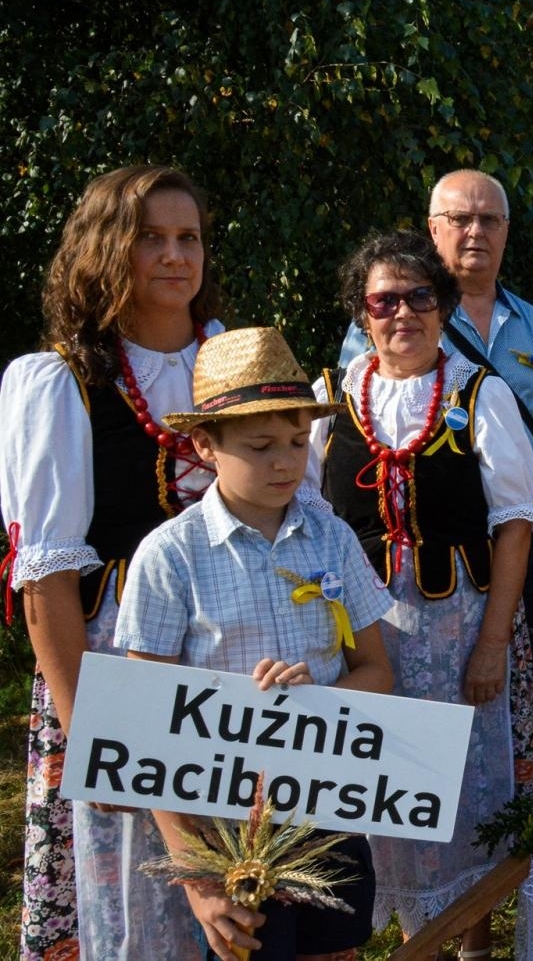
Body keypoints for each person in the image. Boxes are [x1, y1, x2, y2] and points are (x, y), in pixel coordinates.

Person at [114, 327, 393, 961]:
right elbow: (144, 726)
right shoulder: (170, 556)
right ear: (205, 445)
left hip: (328, 807)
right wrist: (199, 880)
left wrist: (319, 698)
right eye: (261, 446)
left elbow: (376, 671)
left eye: (296, 442)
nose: (286, 463)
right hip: (226, 827)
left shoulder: (332, 538)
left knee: (335, 949)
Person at [0, 164, 222, 960]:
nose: (174, 255)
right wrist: (91, 735)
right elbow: (45, 581)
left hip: (234, 660)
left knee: (242, 886)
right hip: (114, 662)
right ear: (106, 249)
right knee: (133, 902)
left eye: (188, 237)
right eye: (150, 238)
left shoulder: (233, 362)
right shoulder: (61, 383)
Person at [314, 230, 533, 954]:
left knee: (462, 791)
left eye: (419, 297)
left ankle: (471, 944)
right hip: (363, 635)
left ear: (443, 306)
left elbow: (515, 527)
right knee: (376, 781)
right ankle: (404, 939)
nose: (403, 314)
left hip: (460, 632)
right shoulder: (331, 400)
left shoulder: (483, 394)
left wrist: (492, 645)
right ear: (363, 313)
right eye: (384, 300)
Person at [338, 170, 533, 682]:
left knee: (520, 670)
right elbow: (356, 427)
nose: (476, 231)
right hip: (387, 571)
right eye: (460, 218)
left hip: (514, 540)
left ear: (506, 230)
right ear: (433, 228)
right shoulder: (388, 315)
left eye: (490, 220)